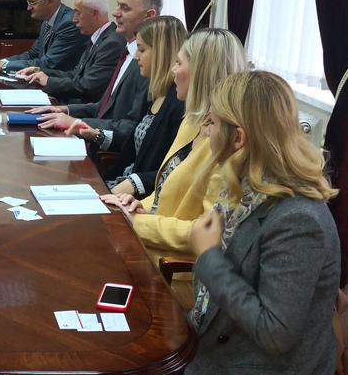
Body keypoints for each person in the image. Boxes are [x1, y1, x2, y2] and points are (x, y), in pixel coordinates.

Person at [43, 71, 341, 375]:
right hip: (233, 357)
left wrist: (208, 258)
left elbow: (276, 333)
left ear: (238, 137)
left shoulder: (298, 220)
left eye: (212, 123)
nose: (204, 130)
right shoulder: (248, 187)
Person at [103, 28, 248, 258]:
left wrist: (138, 221)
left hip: (171, 266)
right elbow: (163, 194)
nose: (173, 70)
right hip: (148, 243)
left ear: (200, 73)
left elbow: (208, 230)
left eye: (179, 63)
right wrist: (137, 207)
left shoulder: (226, 142)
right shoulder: (191, 121)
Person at [30, 0, 161, 150]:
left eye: (125, 8)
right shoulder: (126, 51)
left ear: (149, 15)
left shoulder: (148, 62)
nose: (115, 13)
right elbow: (103, 106)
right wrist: (65, 110)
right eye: (118, 5)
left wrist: (77, 122)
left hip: (107, 151)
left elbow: (131, 126)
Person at [83, 16, 187, 199]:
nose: (136, 56)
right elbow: (136, 141)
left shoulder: (179, 104)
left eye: (142, 49)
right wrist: (95, 134)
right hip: (121, 183)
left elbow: (176, 170)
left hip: (138, 197)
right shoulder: (154, 93)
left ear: (161, 53)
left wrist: (134, 183)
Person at [15, 0, 120, 105]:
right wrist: (40, 71)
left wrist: (49, 82)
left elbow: (87, 85)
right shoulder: (97, 38)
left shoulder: (112, 43)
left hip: (84, 110)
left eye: (78, 13)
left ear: (94, 14)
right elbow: (75, 74)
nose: (74, 19)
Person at [0, 0, 84, 72]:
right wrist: (3, 62)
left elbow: (48, 63)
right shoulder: (47, 21)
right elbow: (33, 54)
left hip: (65, 84)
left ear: (50, 1)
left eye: (32, 2)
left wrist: (3, 66)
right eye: (28, 2)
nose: (28, 8)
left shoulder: (69, 24)